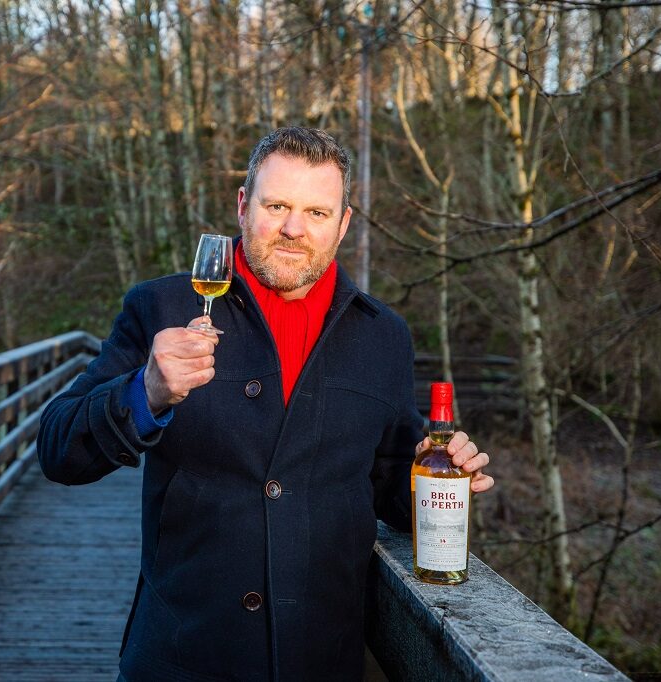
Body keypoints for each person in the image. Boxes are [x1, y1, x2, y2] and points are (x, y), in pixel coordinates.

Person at [37, 127, 493, 681]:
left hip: (320, 661)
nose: (294, 229)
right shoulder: (161, 306)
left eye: (318, 213)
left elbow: (390, 484)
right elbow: (59, 450)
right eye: (276, 205)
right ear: (242, 205)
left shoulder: (384, 336)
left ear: (344, 223)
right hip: (182, 657)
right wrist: (145, 392)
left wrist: (443, 476)